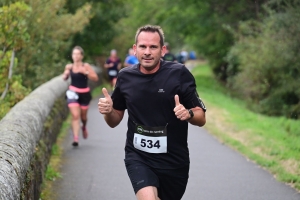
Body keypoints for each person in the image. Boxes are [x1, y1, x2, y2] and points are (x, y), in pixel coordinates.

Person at [98, 25, 206, 200]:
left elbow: (201, 117)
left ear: (162, 50)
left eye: (153, 47)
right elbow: (114, 120)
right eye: (142, 46)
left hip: (173, 161)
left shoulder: (178, 74)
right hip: (138, 156)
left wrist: (189, 114)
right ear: (135, 49)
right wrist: (108, 111)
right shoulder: (125, 77)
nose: (147, 52)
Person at [62, 46, 99, 146]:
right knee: (75, 115)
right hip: (73, 92)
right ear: (72, 55)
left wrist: (85, 72)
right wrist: (65, 74)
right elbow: (64, 78)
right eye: (74, 54)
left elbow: (95, 78)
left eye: (78, 54)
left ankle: (84, 127)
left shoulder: (85, 66)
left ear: (82, 56)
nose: (76, 56)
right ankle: (76, 139)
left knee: (83, 117)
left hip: (84, 93)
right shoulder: (69, 67)